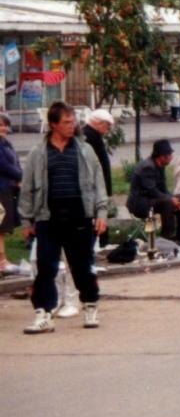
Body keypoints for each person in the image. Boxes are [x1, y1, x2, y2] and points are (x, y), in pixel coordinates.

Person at [18, 102, 109, 334]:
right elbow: (27, 188)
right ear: (53, 125)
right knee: (46, 268)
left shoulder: (84, 150)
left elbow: (98, 184)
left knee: (82, 266)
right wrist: (27, 221)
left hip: (79, 216)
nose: (72, 126)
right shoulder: (39, 153)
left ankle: (90, 304)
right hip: (48, 218)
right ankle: (43, 314)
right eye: (67, 122)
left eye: (73, 121)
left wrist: (101, 213)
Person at [127, 139, 180, 241]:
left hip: (152, 201)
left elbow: (163, 189)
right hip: (139, 203)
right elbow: (152, 190)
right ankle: (166, 237)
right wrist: (170, 200)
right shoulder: (147, 167)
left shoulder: (160, 166)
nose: (172, 157)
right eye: (170, 155)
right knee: (167, 203)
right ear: (162, 156)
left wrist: (174, 199)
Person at [0, 114, 22, 275]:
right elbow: (3, 165)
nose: (4, 128)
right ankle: (1, 262)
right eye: (1, 125)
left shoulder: (6, 143)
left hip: (8, 187)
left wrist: (20, 176)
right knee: (0, 226)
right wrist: (20, 176)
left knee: (4, 226)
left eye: (5, 125)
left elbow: (15, 162)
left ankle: (2, 260)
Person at [81, 109, 114, 199]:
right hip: (94, 187)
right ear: (99, 123)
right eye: (107, 125)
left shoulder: (93, 134)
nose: (108, 129)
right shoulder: (89, 136)